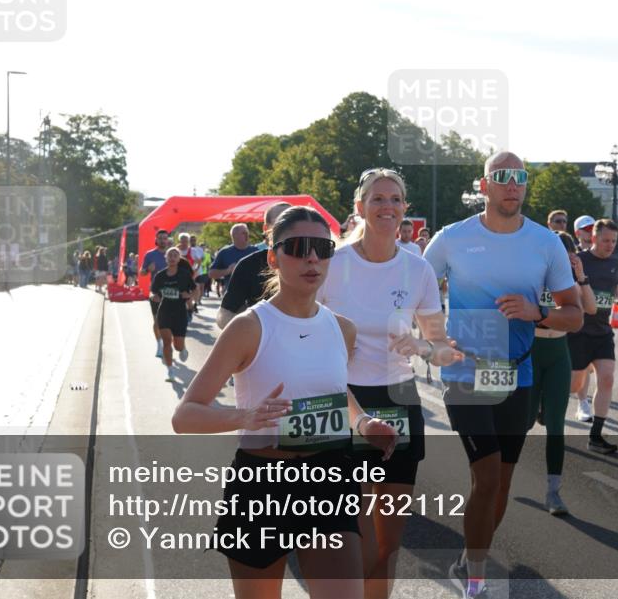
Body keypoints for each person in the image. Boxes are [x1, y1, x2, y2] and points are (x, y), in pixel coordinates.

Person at [171, 206, 397, 599]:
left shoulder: (342, 328)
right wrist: (246, 416)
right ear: (273, 257)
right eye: (297, 247)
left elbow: (333, 390)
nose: (312, 258)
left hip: (329, 477)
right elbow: (184, 416)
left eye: (322, 249)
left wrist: (363, 423)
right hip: (263, 483)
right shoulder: (248, 327)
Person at [423, 152, 582, 599]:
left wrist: (537, 312)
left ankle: (468, 558)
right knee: (488, 476)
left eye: (520, 177)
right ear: (484, 185)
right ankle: (475, 577)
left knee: (501, 483)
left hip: (516, 374)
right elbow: (417, 292)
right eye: (502, 176)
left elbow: (574, 315)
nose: (512, 184)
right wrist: (434, 339)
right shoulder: (452, 238)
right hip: (465, 373)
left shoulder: (546, 243)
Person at [319, 169, 463, 598]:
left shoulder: (417, 270)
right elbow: (300, 325)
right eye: (378, 199)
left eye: (395, 199)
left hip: (399, 401)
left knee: (388, 543)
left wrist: (421, 346)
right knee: (356, 539)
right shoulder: (333, 264)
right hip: (344, 402)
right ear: (360, 207)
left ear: (405, 209)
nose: (388, 206)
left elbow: (442, 348)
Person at [530, 230, 596, 515]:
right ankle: (498, 476)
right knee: (521, 421)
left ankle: (553, 492)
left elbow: (591, 308)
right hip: (531, 352)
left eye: (565, 256)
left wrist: (581, 277)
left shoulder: (570, 281)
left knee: (556, 425)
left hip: (558, 353)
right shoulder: (532, 274)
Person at [570, 219, 618, 454]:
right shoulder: (579, 261)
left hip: (602, 331)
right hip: (578, 331)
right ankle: (544, 406)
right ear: (593, 238)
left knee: (607, 378)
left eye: (614, 241)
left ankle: (596, 436)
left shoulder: (616, 264)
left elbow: (612, 287)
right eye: (605, 240)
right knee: (572, 385)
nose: (610, 245)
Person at [217, 202, 292, 330]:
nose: (289, 226)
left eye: (293, 221)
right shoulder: (249, 264)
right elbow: (224, 315)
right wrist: (253, 333)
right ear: (266, 229)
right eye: (281, 221)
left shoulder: (316, 261)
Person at [151, 247, 196, 381]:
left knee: (178, 346)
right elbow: (153, 291)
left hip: (179, 313)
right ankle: (170, 371)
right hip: (164, 312)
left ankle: (183, 348)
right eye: (170, 255)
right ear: (166, 258)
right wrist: (154, 296)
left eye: (175, 255)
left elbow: (195, 290)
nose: (172, 258)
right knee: (166, 341)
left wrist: (189, 296)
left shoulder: (184, 275)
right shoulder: (160, 275)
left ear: (178, 258)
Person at [570, 214, 598, 419]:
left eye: (593, 229)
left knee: (586, 364)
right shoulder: (573, 256)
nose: (590, 233)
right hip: (571, 313)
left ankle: (582, 403)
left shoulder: (601, 255)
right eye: (587, 230)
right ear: (577, 233)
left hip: (592, 315)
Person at [141, 229, 170, 358]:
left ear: (167, 240)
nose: (162, 240)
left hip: (172, 291)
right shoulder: (150, 255)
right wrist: (148, 269)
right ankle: (159, 344)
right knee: (157, 321)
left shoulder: (173, 254)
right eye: (160, 238)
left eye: (165, 238)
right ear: (156, 240)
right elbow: (142, 272)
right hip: (156, 291)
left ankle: (167, 342)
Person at [209, 224, 258, 295]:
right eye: (244, 233)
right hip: (233, 295)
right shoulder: (225, 252)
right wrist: (227, 271)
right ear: (235, 236)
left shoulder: (255, 251)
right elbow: (211, 274)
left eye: (247, 233)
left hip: (253, 294)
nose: (247, 235)